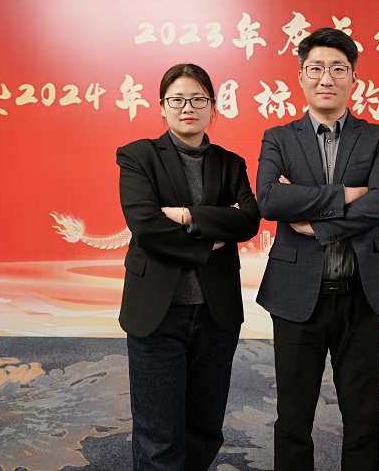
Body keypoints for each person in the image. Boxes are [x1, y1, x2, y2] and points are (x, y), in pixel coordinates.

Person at [256, 27, 379, 470]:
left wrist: (317, 225)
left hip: (361, 296)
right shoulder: (279, 137)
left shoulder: (377, 136)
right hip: (294, 295)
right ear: (301, 76)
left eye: (338, 69)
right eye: (316, 68)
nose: (327, 78)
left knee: (363, 417)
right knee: (293, 417)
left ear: (354, 78)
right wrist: (344, 194)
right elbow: (270, 199)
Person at [116, 63, 260, 470]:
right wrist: (210, 236)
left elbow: (249, 220)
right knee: (158, 435)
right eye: (177, 99)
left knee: (205, 428)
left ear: (213, 106)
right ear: (162, 106)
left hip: (215, 314)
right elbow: (146, 225)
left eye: (198, 99)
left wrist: (185, 215)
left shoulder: (230, 163)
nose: (188, 108)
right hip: (158, 313)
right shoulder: (138, 156)